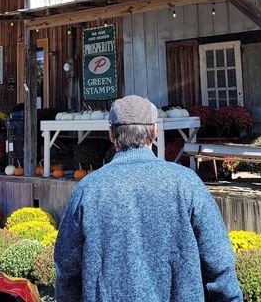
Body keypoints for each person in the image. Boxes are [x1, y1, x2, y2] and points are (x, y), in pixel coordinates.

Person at [54, 95, 242, 302]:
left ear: (111, 134)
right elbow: (219, 262)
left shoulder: (88, 189)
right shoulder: (186, 183)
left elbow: (67, 267)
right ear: (154, 132)